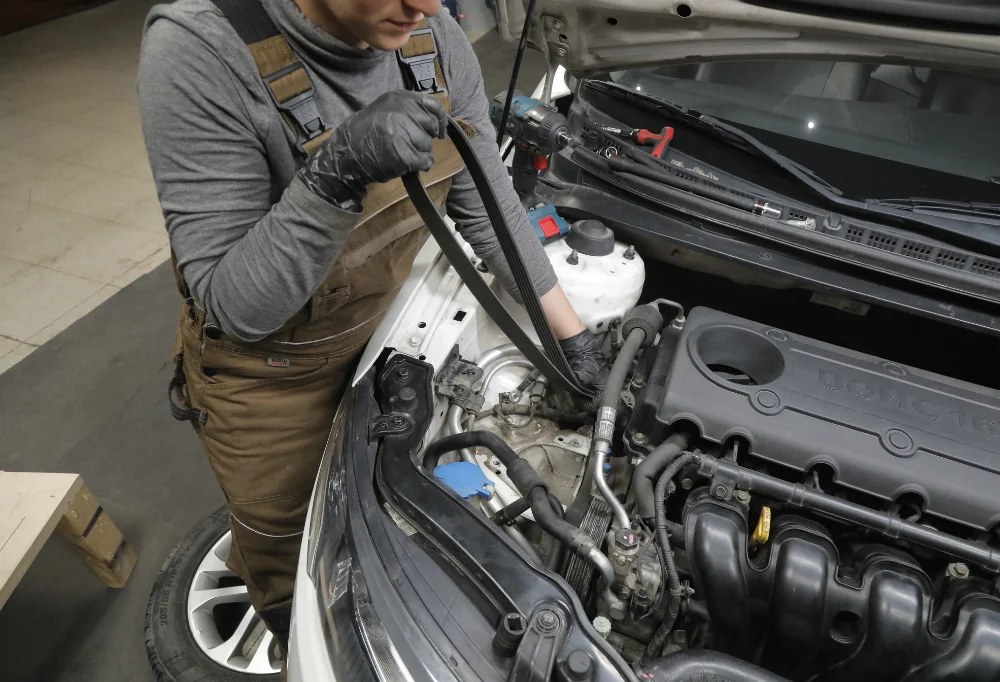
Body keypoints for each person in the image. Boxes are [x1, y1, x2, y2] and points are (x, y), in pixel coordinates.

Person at [138, 0, 604, 652]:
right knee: (301, 569)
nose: (428, 6)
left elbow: (487, 201)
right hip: (270, 378)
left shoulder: (432, 36)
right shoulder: (201, 49)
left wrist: (571, 336)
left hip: (385, 335)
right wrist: (335, 176)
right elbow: (237, 309)